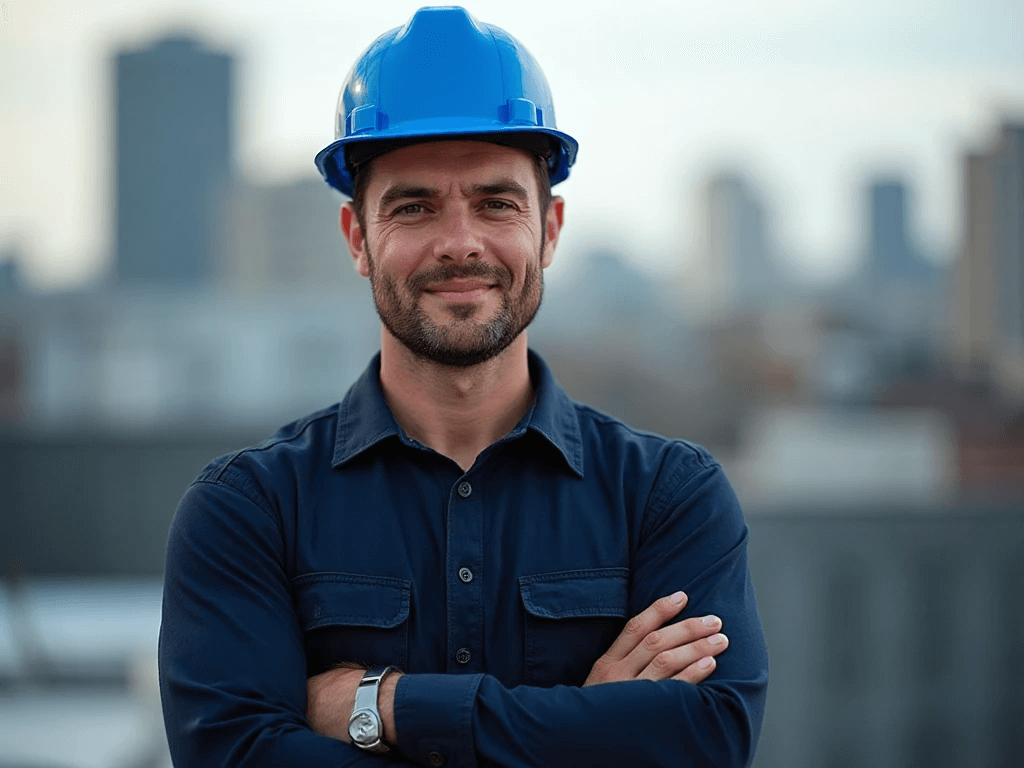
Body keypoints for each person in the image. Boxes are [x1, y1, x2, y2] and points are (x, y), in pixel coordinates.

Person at [158, 6, 769, 767]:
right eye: (414, 207)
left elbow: (705, 742)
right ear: (358, 238)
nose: (459, 243)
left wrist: (382, 706)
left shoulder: (666, 499)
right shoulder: (249, 512)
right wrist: (586, 722)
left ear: (549, 231)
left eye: (496, 203)